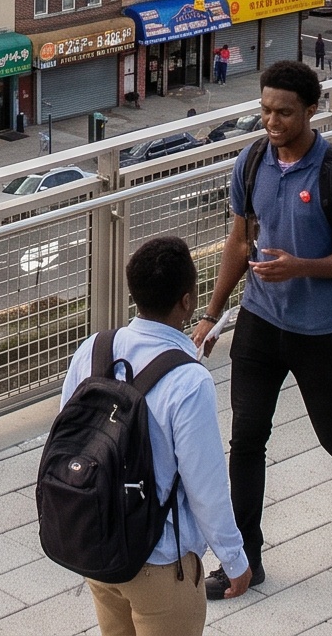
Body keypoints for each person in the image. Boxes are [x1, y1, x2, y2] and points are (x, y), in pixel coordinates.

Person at [189, 60, 332, 592]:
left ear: (311, 110)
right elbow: (238, 241)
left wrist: (299, 265)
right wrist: (212, 314)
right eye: (265, 110)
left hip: (320, 329)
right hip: (259, 321)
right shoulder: (252, 161)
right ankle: (244, 559)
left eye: (284, 113)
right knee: (246, 440)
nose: (272, 122)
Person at [59, 237, 252, 635]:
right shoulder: (189, 381)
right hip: (162, 563)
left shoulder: (94, 349)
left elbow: (67, 437)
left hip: (98, 548)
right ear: (187, 301)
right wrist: (235, 560)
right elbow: (206, 486)